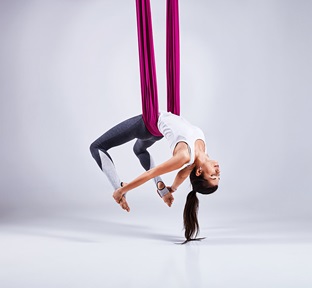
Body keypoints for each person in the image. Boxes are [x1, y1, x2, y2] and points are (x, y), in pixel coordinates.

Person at [90, 110, 220, 242]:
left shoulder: (184, 156)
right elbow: (182, 174)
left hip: (147, 125)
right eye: (218, 177)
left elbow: (150, 174)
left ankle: (118, 187)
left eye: (213, 176)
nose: (218, 172)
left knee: (96, 147)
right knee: (139, 150)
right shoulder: (201, 155)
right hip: (156, 133)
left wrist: (122, 190)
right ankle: (158, 186)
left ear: (199, 172)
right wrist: (170, 190)